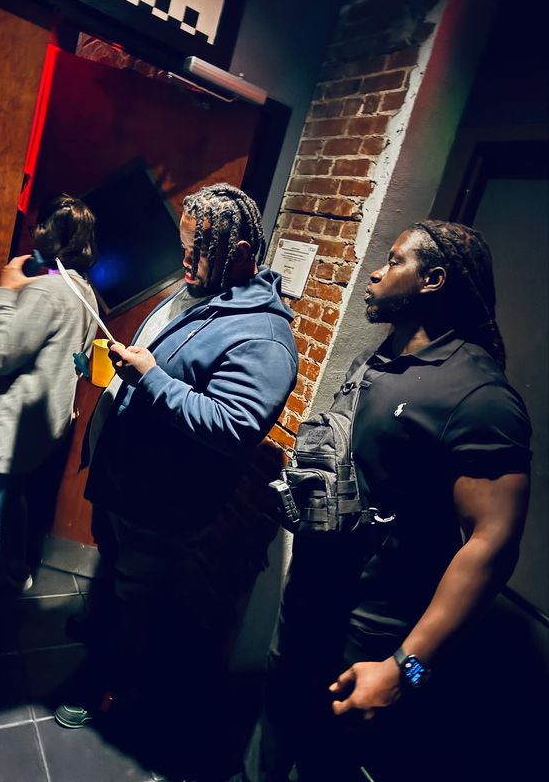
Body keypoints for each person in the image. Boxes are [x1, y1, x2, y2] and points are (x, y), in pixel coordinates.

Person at [241, 221, 531, 781]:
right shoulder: (382, 356)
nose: (376, 271)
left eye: (394, 261)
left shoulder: (479, 396)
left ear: (434, 280)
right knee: (273, 734)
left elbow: (493, 545)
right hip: (308, 605)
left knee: (327, 764)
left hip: (373, 638)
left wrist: (407, 670)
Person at [54, 184, 298, 774]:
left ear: (240, 251)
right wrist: (110, 365)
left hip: (162, 501)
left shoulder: (265, 338)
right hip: (125, 481)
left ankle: (108, 685)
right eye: (183, 245)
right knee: (115, 573)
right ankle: (100, 636)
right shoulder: (198, 295)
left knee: (139, 598)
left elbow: (233, 423)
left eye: (198, 249)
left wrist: (152, 378)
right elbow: (152, 359)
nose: (185, 260)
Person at [0, 194, 98, 663]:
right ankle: (12, 578)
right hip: (44, 430)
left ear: (49, 237)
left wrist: (5, 290)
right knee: (11, 510)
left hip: (11, 428)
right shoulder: (84, 292)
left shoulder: (44, 290)